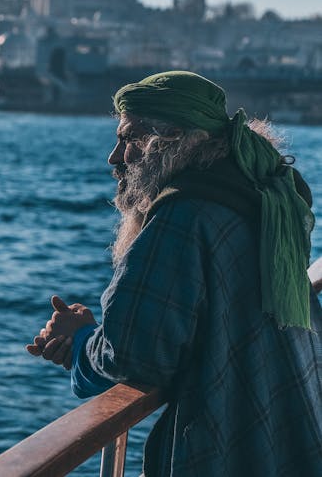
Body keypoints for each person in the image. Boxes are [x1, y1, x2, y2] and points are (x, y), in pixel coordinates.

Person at [27, 71, 322, 477]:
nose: (114, 157)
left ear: (168, 142)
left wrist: (78, 340)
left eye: (128, 139)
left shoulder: (184, 215)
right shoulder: (259, 199)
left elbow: (132, 356)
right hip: (296, 427)